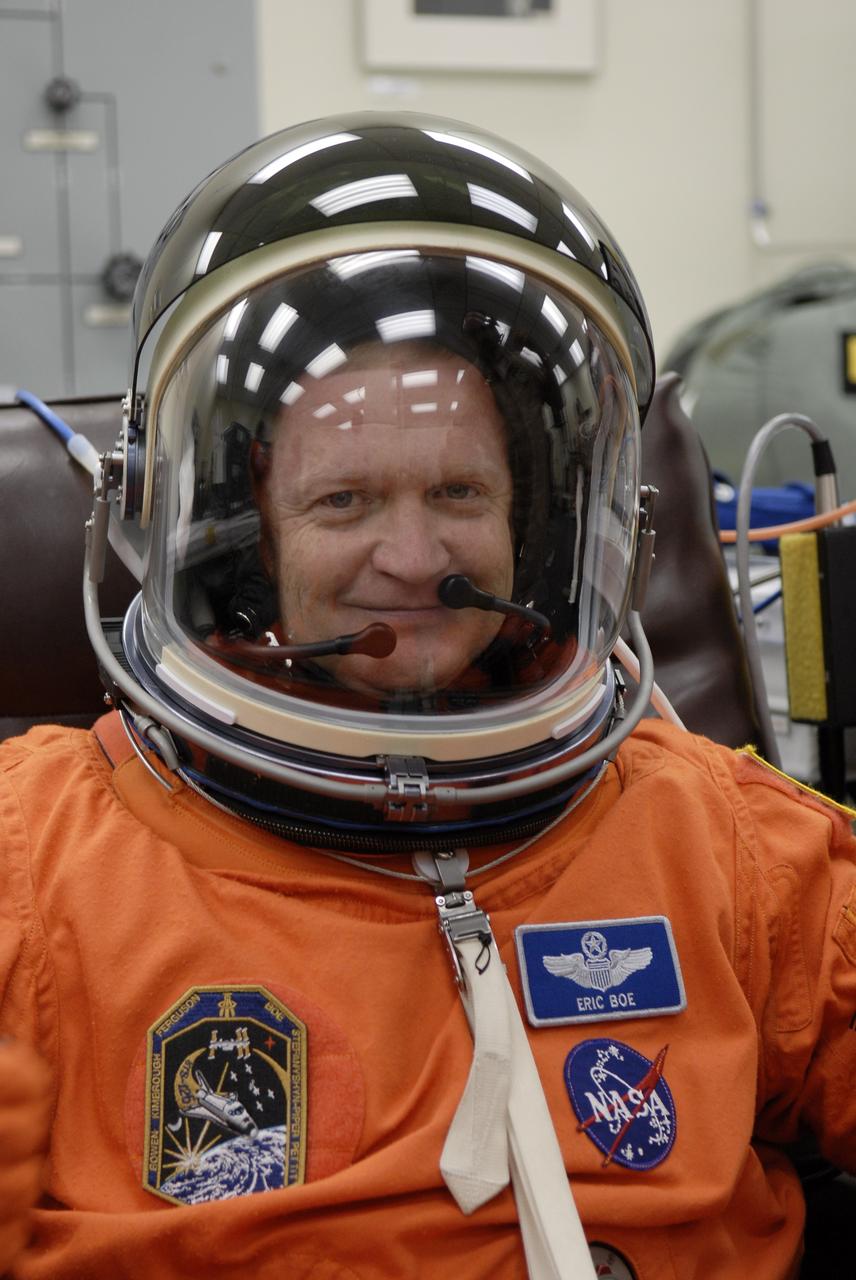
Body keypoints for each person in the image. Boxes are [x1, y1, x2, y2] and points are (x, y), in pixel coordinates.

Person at [1, 111, 856, 1280]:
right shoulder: (35, 867)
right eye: (343, 502)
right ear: (245, 540)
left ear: (536, 520)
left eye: (457, 490)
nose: (412, 555)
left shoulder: (729, 844)